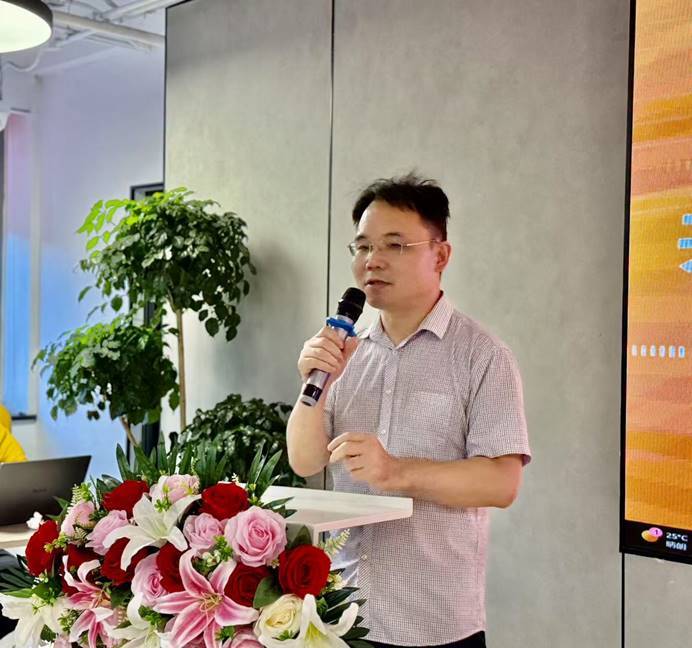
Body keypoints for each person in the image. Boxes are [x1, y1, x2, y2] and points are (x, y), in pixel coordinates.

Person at [286, 174, 531, 648]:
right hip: (341, 615)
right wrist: (313, 383)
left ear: (440, 255)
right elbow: (305, 460)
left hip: (433, 624)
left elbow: (502, 483)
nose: (372, 260)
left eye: (394, 245)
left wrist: (395, 471)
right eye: (362, 246)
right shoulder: (345, 350)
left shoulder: (482, 356)